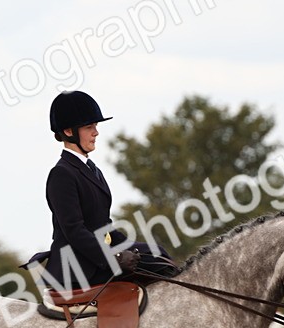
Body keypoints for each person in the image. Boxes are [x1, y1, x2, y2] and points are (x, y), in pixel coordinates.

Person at [27, 90, 174, 292]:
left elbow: (104, 228)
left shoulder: (93, 170)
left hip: (98, 255)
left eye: (95, 126)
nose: (96, 132)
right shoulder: (61, 174)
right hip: (78, 266)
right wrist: (113, 257)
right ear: (69, 131)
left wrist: (134, 248)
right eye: (89, 127)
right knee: (150, 268)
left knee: (158, 257)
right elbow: (75, 231)